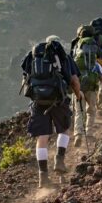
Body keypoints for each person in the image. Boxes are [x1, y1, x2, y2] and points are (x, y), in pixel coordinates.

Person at [21, 36, 81, 188]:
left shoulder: (33, 57)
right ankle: (59, 159)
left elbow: (25, 79)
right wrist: (79, 95)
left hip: (38, 102)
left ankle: (43, 177)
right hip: (58, 100)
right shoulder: (64, 57)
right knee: (64, 130)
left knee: (42, 138)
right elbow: (74, 80)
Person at [72, 26, 102, 146]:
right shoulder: (95, 64)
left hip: (78, 86)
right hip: (92, 86)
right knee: (91, 111)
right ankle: (89, 133)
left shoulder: (76, 49)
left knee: (79, 111)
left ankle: (78, 134)